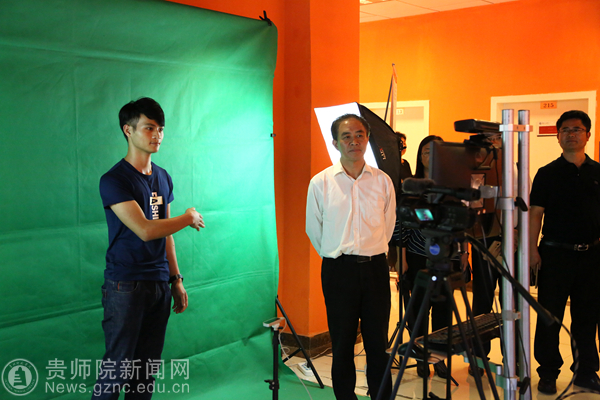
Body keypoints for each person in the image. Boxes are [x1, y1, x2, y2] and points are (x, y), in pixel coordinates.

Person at [93, 97, 205, 399]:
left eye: (161, 129)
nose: (157, 135)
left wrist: (176, 279)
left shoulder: (163, 177)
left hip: (158, 283)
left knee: (145, 372)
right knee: (117, 370)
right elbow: (145, 229)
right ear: (128, 130)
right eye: (149, 128)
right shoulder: (114, 180)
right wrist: (188, 217)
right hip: (125, 284)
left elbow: (165, 233)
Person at [306, 113, 396, 400]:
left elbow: (388, 225)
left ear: (367, 139)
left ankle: (380, 395)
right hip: (338, 271)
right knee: (342, 342)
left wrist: (370, 249)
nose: (354, 141)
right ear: (335, 143)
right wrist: (336, 254)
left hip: (375, 269)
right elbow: (314, 229)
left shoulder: (383, 181)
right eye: (346, 136)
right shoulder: (320, 183)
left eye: (359, 135)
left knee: (377, 342)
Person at [530, 110, 600, 394]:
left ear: (588, 135)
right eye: (566, 130)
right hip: (555, 255)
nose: (571, 134)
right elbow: (535, 214)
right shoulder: (546, 174)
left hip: (592, 255)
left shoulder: (598, 172)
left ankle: (585, 371)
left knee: (587, 316)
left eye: (577, 129)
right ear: (558, 136)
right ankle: (548, 372)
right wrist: (532, 249)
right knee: (550, 316)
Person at [400, 135, 469, 379]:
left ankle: (440, 358)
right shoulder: (412, 185)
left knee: (444, 311)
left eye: (436, 151)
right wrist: (402, 259)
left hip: (448, 256)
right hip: (418, 255)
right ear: (420, 157)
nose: (430, 156)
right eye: (426, 151)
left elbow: (461, 221)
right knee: (419, 310)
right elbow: (403, 226)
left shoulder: (453, 185)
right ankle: (421, 357)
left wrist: (464, 252)